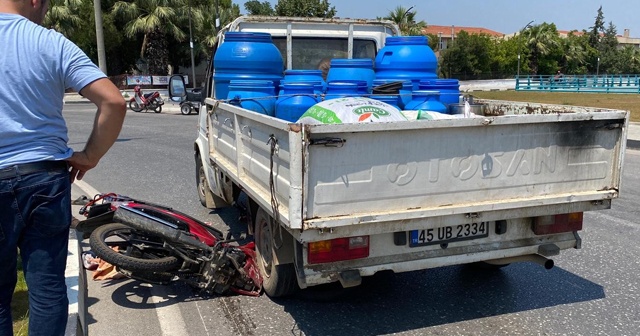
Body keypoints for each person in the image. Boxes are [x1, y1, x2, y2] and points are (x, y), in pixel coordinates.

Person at [0, 0, 126, 335]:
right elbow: (113, 101)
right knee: (47, 289)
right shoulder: (49, 42)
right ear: (34, 1)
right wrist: (89, 156)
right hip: (43, 177)